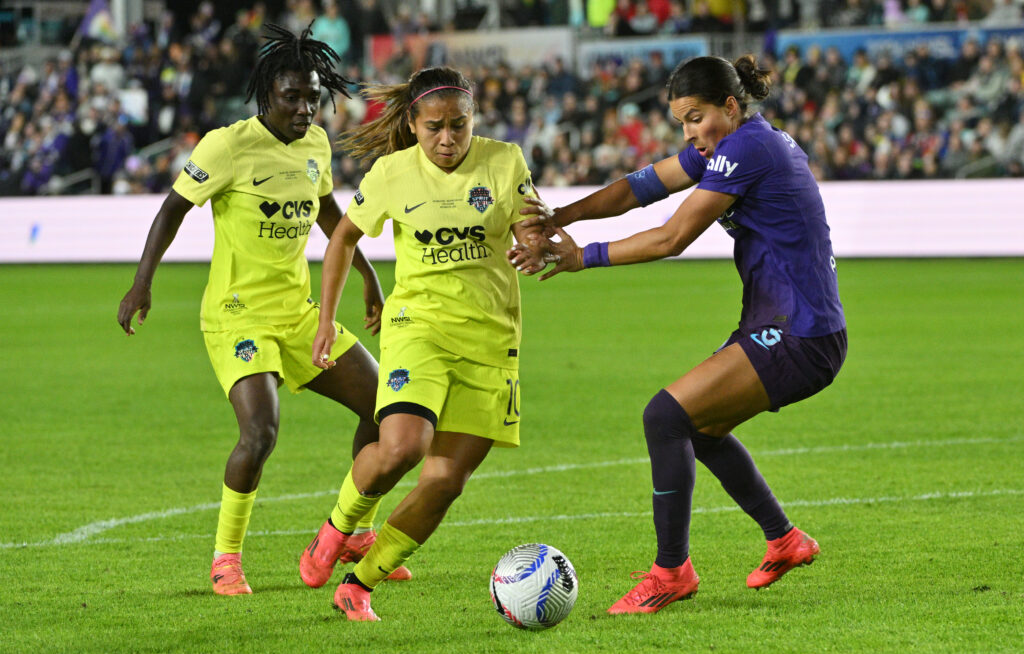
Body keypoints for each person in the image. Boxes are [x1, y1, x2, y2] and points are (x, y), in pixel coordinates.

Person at [510, 55, 847, 614]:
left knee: (666, 417)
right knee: (702, 427)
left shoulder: (747, 149)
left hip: (800, 333)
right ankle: (784, 539)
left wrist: (582, 258)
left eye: (696, 118)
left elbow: (672, 238)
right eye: (682, 123)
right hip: (785, 325)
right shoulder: (733, 144)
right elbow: (640, 187)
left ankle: (671, 572)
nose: (691, 134)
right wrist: (561, 217)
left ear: (731, 106)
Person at [116, 23, 406, 596]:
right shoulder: (227, 146)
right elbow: (173, 209)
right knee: (260, 432)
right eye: (293, 97)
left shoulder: (315, 145)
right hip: (237, 315)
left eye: (313, 99)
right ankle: (226, 559)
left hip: (298, 313)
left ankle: (357, 532)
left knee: (386, 408)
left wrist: (369, 276)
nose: (304, 109)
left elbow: (328, 215)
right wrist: (141, 282)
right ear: (267, 91)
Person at [300, 66, 546, 621]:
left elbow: (531, 224)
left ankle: (359, 583)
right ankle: (338, 525)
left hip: (491, 340)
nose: (447, 139)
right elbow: (342, 239)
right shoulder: (391, 173)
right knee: (403, 448)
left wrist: (536, 243)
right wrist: (326, 321)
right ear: (412, 123)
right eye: (434, 127)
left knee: (444, 480)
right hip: (419, 327)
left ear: (473, 120)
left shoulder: (505, 160)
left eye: (459, 126)